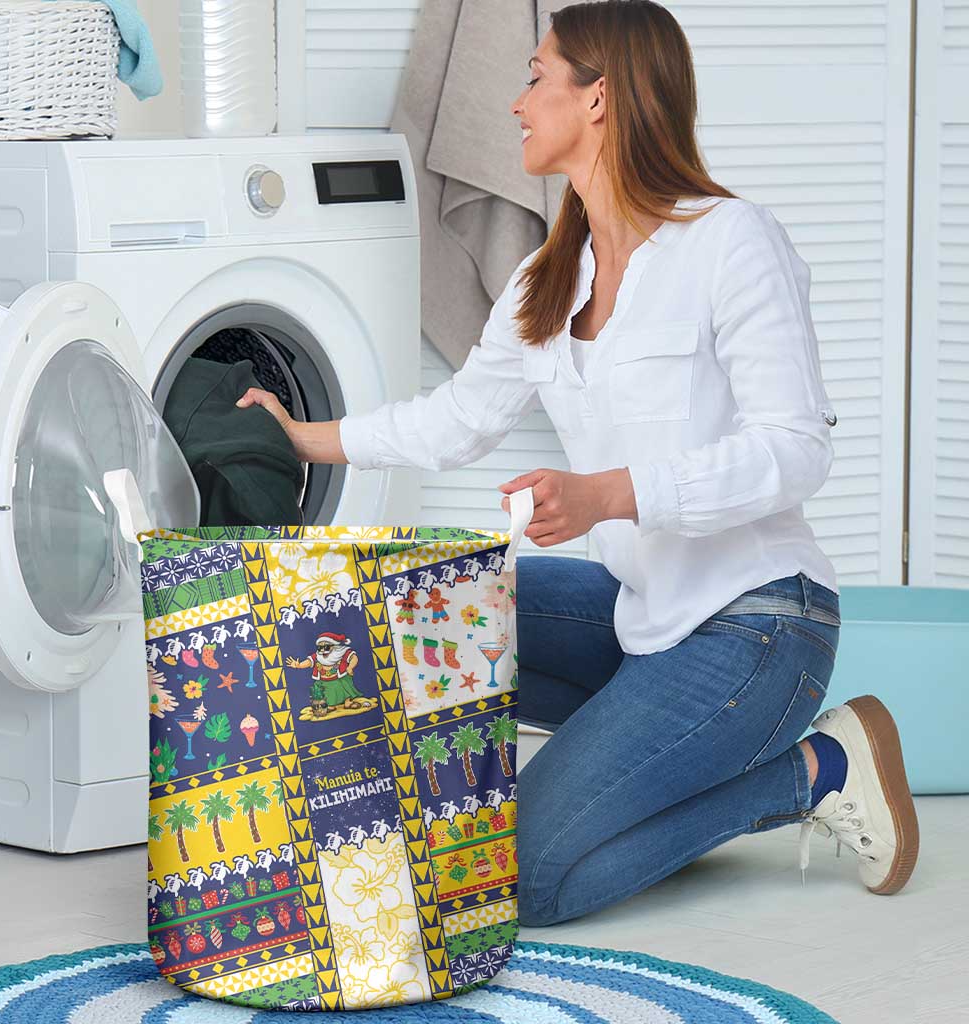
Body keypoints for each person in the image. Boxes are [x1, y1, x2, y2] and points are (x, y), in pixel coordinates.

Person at [236, 0, 919, 926]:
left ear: (598, 99)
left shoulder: (729, 241)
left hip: (759, 625)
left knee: (527, 880)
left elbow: (795, 452)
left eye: (535, 77)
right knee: (406, 617)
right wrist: (307, 435)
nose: (516, 102)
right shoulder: (546, 277)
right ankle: (614, 768)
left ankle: (816, 772)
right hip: (642, 617)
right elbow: (458, 420)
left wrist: (611, 496)